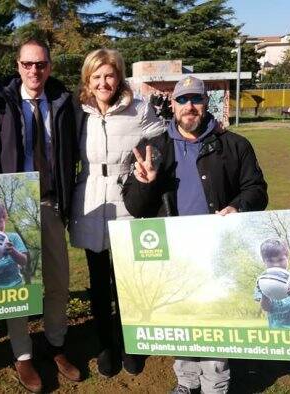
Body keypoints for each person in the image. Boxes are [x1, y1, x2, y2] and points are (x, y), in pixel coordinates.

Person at [122, 76, 268, 394]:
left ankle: (216, 384)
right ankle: (186, 381)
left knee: (214, 316)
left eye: (197, 99)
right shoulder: (155, 148)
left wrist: (237, 208)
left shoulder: (235, 145)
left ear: (207, 104)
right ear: (172, 104)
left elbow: (256, 189)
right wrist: (145, 182)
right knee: (182, 316)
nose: (190, 106)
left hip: (217, 248)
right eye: (183, 99)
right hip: (174, 253)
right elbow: (134, 207)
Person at [0, 38, 81, 392]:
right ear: (18, 66)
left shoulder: (64, 102)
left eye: (41, 64)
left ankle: (56, 345)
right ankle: (22, 354)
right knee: (17, 284)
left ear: (49, 66)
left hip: (50, 205)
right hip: (14, 208)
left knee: (57, 282)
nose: (34, 70)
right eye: (27, 64)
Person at [68, 48, 165, 377]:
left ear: (119, 76)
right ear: (88, 80)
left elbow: (160, 142)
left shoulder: (139, 108)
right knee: (98, 281)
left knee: (127, 280)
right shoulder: (79, 111)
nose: (103, 82)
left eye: (109, 75)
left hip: (127, 197)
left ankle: (130, 344)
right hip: (91, 198)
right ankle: (105, 345)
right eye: (96, 76)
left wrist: (151, 167)